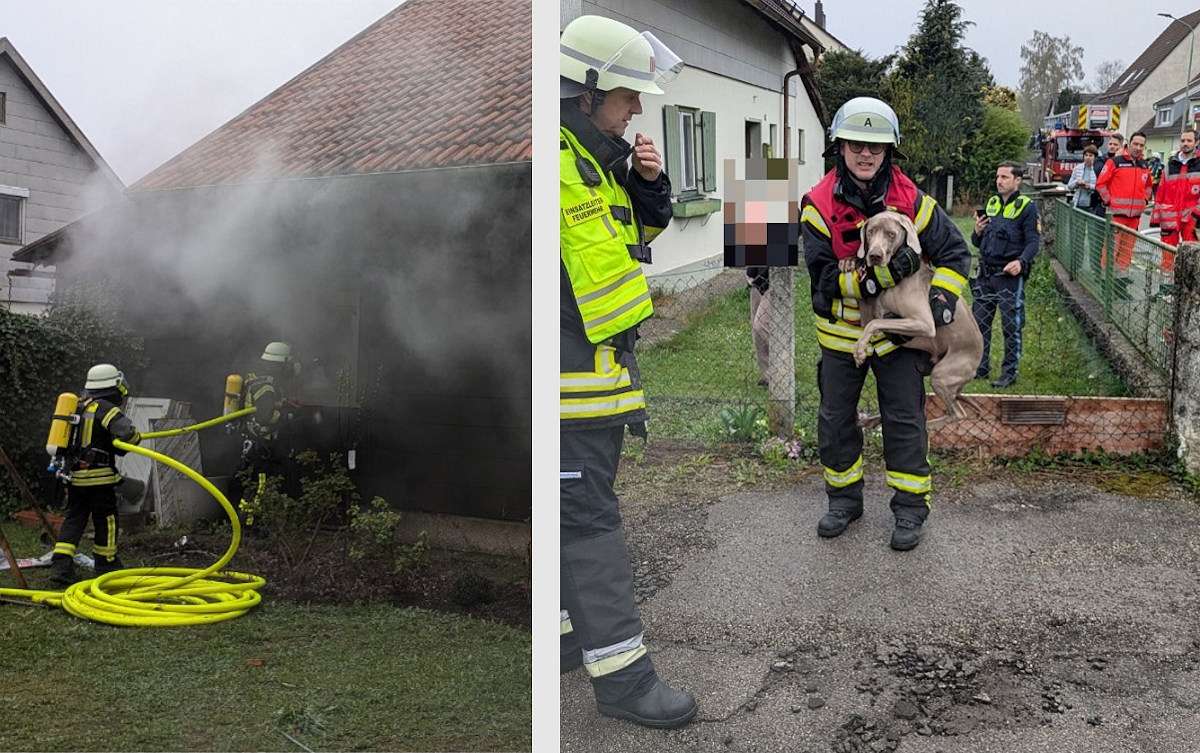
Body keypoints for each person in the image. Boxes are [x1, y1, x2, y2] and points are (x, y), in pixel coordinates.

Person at [558, 15, 697, 729]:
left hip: (595, 384)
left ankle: (564, 637)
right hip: (565, 392)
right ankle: (622, 678)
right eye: (625, 96)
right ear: (585, 93)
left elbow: (633, 241)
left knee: (573, 514)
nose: (637, 108)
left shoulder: (593, 161)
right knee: (587, 523)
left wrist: (649, 184)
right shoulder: (558, 165)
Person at [800, 97, 970, 552]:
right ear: (841, 147)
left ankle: (911, 509)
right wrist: (887, 274)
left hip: (898, 339)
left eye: (876, 145)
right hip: (840, 339)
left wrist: (938, 304)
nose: (866, 154)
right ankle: (843, 501)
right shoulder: (817, 204)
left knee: (904, 420)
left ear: (889, 150)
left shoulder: (912, 200)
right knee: (836, 422)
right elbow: (822, 282)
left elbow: (956, 254)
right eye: (856, 143)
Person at [49, 364, 142, 585]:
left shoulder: (78, 407)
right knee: (106, 520)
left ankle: (61, 567)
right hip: (100, 478)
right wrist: (136, 438)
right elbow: (128, 436)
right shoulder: (106, 408)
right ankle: (106, 563)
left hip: (74, 477)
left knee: (74, 519)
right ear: (113, 385)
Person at [970, 162, 1041, 389]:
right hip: (985, 274)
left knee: (1011, 326)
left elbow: (1033, 242)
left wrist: (1021, 262)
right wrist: (977, 232)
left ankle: (1009, 372)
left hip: (1009, 276)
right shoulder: (991, 204)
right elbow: (977, 242)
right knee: (980, 323)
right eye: (997, 177)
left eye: (1004, 177)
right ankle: (980, 367)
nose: (999, 181)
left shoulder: (1027, 207)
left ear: (1017, 180)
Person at [228, 341, 295, 508]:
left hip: (252, 442)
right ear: (281, 365)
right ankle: (252, 523)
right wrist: (286, 416)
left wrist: (283, 403)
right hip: (262, 444)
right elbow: (265, 417)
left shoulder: (256, 380)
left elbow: (260, 405)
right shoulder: (266, 387)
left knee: (250, 483)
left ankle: (242, 519)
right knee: (261, 486)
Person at [1096, 130, 1152, 272]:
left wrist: (1145, 201)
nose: (1138, 148)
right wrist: (1109, 202)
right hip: (1116, 217)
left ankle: (1121, 281)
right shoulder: (1115, 162)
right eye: (1135, 144)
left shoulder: (1144, 166)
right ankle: (1106, 282)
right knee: (1110, 252)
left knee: (1126, 253)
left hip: (1134, 219)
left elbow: (1148, 187)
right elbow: (1100, 184)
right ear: (1129, 144)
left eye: (1141, 145)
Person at [1151, 127, 1200, 272]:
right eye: (1183, 140)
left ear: (1196, 142)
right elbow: (1160, 191)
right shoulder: (1170, 165)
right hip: (1169, 217)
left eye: (1189, 140)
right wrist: (1156, 217)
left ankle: (1187, 292)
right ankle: (1165, 290)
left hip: (1192, 219)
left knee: (1191, 257)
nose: (1185, 143)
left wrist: (1197, 214)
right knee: (1167, 255)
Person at [747, 266, 770, 384]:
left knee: (760, 326)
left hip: (774, 282)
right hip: (755, 281)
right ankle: (767, 375)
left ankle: (783, 365)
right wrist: (750, 274)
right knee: (756, 332)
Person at [1067, 144, 1099, 210]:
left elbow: (1099, 187)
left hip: (1091, 205)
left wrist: (1089, 186)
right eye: (1086, 155)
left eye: (1090, 156)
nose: (1088, 157)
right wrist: (1077, 182)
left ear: (1095, 157)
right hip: (1077, 203)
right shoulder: (1077, 168)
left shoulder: (1097, 169)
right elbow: (1069, 186)